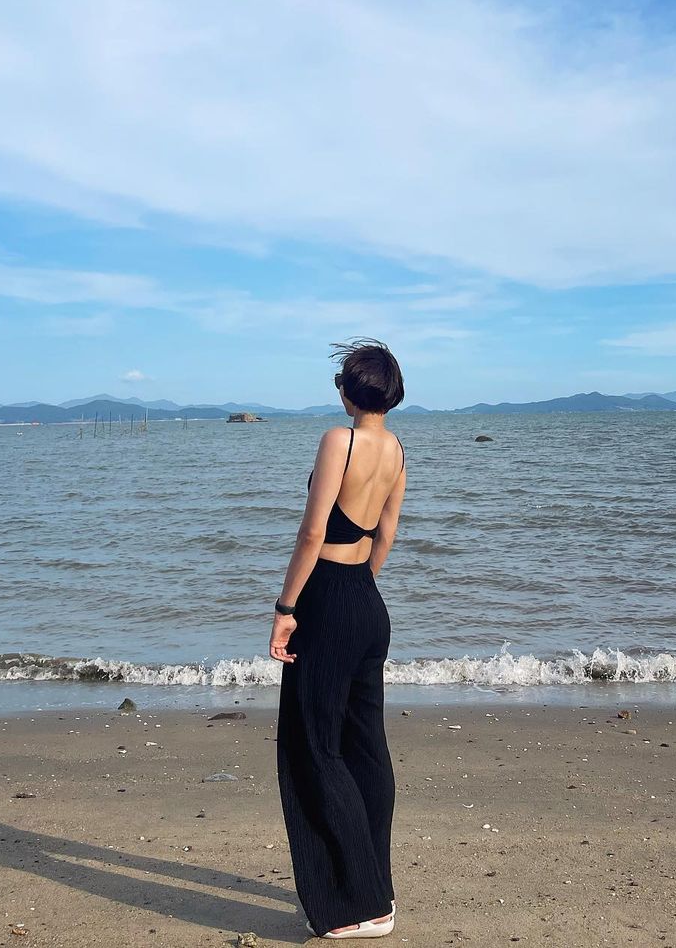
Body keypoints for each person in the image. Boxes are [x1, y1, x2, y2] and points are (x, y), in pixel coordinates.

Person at [271, 339, 408, 939]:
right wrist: (358, 591)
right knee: (366, 748)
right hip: (367, 603)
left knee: (316, 748)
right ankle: (378, 891)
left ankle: (357, 905)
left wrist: (287, 608)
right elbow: (387, 533)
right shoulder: (397, 450)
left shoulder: (339, 441)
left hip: (327, 598)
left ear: (350, 390)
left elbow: (311, 533)